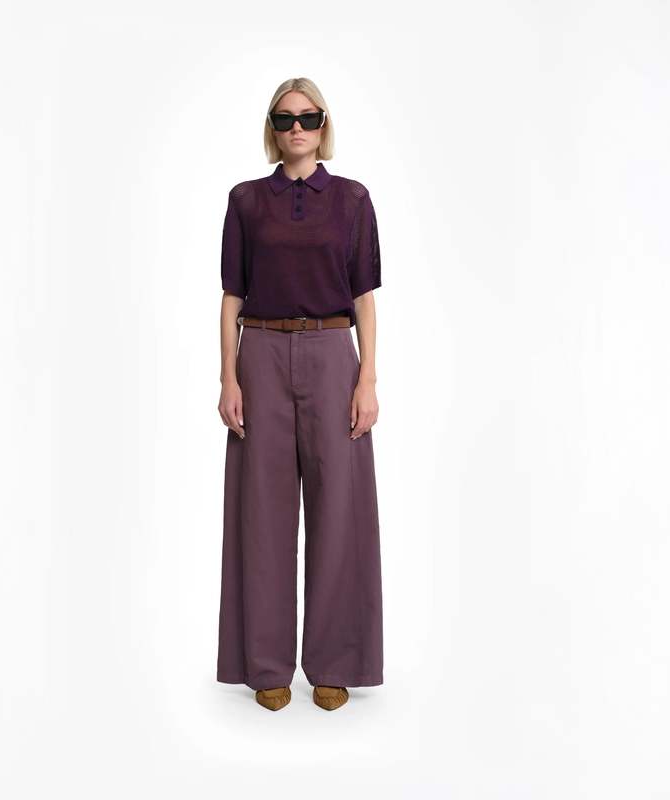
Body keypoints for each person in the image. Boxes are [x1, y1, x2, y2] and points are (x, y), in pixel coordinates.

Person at [216, 77, 383, 712]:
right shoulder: (246, 201)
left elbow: (363, 296)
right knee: (261, 513)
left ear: (323, 125)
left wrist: (367, 379)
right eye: (285, 119)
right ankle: (265, 663)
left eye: (309, 118)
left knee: (340, 509)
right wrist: (228, 377)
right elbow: (232, 294)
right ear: (272, 127)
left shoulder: (352, 199)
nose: (297, 128)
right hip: (259, 352)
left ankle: (336, 662)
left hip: (332, 352)